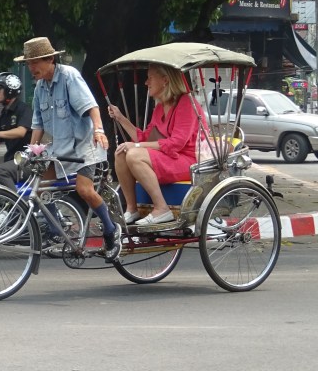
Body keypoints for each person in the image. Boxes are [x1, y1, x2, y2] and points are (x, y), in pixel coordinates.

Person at [17, 36, 121, 260]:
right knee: (40, 187)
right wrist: (32, 150)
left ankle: (111, 229)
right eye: (28, 64)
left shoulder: (69, 76)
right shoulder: (40, 88)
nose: (31, 68)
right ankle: (56, 228)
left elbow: (91, 106)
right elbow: (37, 124)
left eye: (35, 62)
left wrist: (99, 130)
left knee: (85, 190)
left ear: (49, 60)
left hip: (85, 146)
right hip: (59, 148)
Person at [108, 63, 204, 227]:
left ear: (165, 80)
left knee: (134, 154)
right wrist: (120, 118)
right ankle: (131, 208)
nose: (146, 82)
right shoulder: (160, 107)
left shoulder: (187, 103)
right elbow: (145, 138)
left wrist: (137, 147)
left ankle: (161, 208)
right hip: (170, 157)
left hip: (190, 161)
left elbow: (176, 143)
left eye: (150, 78)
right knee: (121, 152)